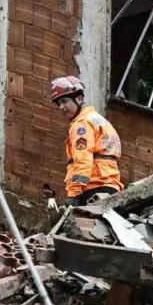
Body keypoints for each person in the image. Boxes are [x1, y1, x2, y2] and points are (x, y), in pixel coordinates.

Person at [50, 76, 124, 207]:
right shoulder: (99, 120)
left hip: (93, 188)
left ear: (79, 98)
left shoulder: (82, 125)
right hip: (110, 187)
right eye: (58, 104)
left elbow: (83, 160)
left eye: (65, 101)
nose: (61, 107)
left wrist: (74, 194)